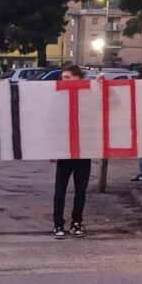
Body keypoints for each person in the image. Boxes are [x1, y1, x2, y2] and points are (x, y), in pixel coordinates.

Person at [51, 65, 92, 239]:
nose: (64, 81)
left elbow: (112, 103)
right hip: (65, 150)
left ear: (78, 78)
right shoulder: (59, 97)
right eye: (63, 78)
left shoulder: (89, 95)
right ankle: (58, 223)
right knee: (60, 190)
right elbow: (52, 122)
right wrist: (52, 149)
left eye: (67, 78)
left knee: (80, 190)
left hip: (83, 151)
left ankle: (76, 222)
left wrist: (101, 86)